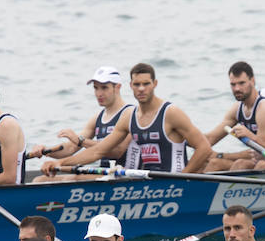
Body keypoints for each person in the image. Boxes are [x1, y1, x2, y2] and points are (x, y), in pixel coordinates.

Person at [41, 63, 212, 176]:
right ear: (130, 86)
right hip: (151, 183)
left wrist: (182, 177)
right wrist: (60, 162)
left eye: (146, 84)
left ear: (155, 84)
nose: (141, 89)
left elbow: (204, 148)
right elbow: (98, 151)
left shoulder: (171, 113)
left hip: (176, 182)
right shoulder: (129, 117)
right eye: (137, 84)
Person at [32, 66, 134, 182]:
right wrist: (46, 151)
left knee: (73, 179)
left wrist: (81, 141)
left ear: (117, 87)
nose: (99, 93)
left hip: (127, 174)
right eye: (96, 88)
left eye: (104, 88)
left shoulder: (129, 113)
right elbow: (71, 147)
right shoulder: (98, 118)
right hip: (105, 173)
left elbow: (117, 151)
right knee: (40, 180)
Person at [202, 61, 265, 172]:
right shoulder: (237, 109)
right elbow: (210, 139)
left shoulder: (264, 108)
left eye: (241, 83)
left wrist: (220, 155)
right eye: (233, 84)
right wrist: (185, 137)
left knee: (241, 164)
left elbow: (258, 154)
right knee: (210, 163)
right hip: (261, 159)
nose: (237, 89)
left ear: (252, 81)